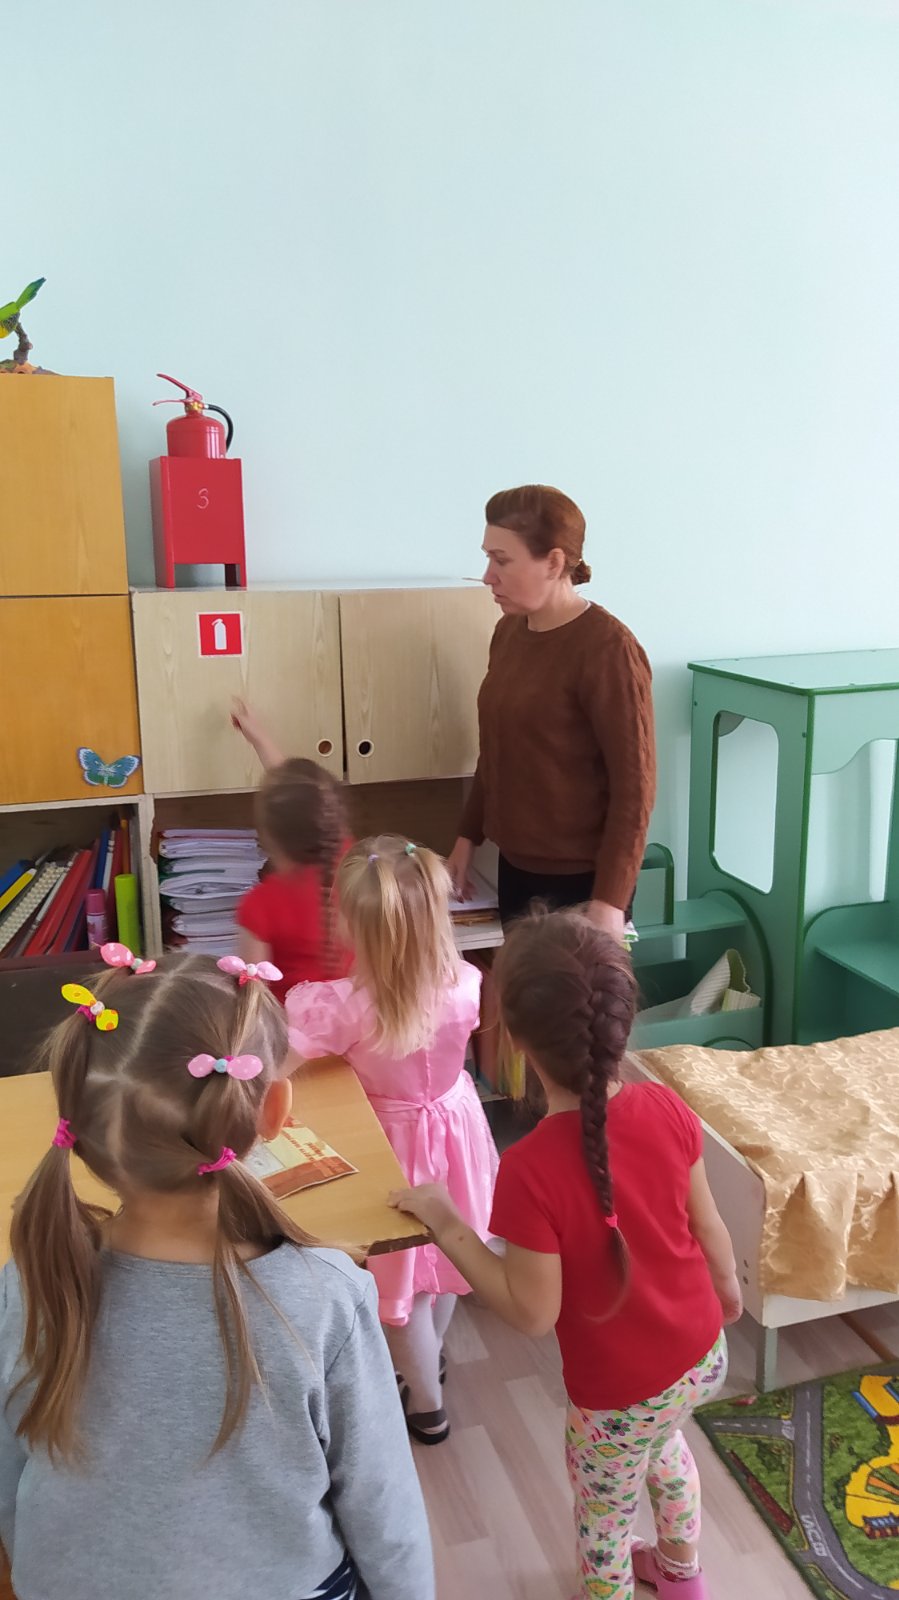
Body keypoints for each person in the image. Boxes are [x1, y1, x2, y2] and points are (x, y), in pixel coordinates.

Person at [0, 954, 433, 1600]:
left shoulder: (31, 1279)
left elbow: (12, 1474)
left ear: (77, 1127)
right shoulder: (325, 1298)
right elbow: (382, 1507)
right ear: (275, 1110)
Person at [391, 910, 741, 1600]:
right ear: (620, 1020)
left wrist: (446, 1223)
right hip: (702, 1356)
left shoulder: (530, 1170)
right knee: (666, 1449)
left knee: (604, 1518)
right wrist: (726, 1293)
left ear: (514, 1039)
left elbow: (531, 1313)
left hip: (616, 1397)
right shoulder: (666, 1107)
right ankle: (682, 1578)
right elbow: (711, 1229)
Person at [287, 836, 498, 1446]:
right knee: (450, 1252)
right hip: (457, 1132)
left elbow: (277, 1065)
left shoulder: (341, 1006)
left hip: (392, 1147)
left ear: (357, 928)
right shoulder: (466, 981)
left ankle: (427, 1405)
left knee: (399, 1283)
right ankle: (431, 1361)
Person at [445, 485, 656, 936]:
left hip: (584, 884)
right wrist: (467, 837)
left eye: (502, 560)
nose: (487, 576)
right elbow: (497, 747)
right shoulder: (508, 632)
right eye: (488, 558)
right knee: (520, 983)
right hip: (516, 868)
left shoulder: (608, 649)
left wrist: (610, 901)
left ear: (555, 563)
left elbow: (635, 789)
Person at [230, 698, 352, 1002]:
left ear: (269, 839)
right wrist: (260, 738)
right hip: (362, 1028)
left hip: (291, 1032)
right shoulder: (357, 869)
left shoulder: (261, 905)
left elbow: (252, 1000)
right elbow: (303, 797)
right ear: (332, 817)